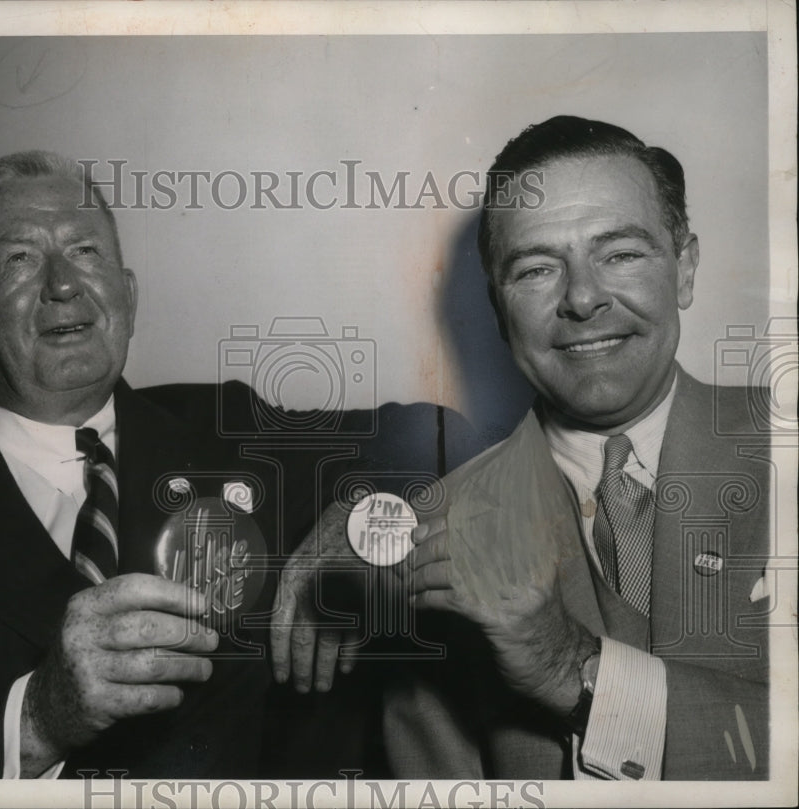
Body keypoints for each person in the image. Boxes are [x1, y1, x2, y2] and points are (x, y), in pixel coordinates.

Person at [272, 116, 771, 780]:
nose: (584, 297)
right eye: (537, 269)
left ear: (684, 268)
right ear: (499, 307)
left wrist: (575, 669)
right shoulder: (435, 541)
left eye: (620, 253)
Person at [0, 151, 282, 778]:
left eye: (85, 251)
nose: (62, 284)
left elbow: (419, 450)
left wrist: (352, 523)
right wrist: (40, 720)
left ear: (127, 296)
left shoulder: (236, 431)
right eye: (18, 258)